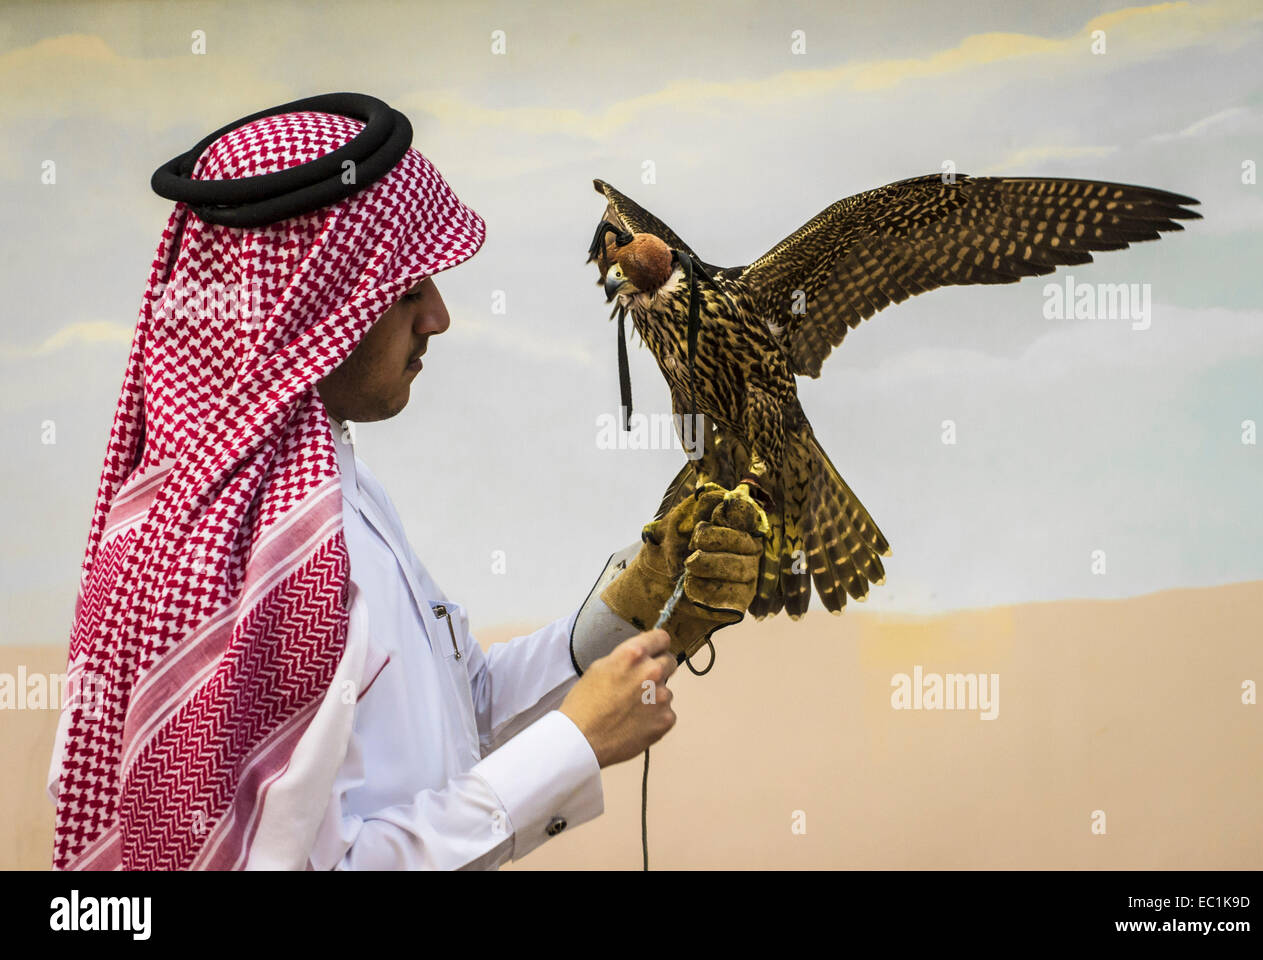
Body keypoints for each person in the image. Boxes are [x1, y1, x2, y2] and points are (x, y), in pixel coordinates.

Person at [47, 94, 765, 870]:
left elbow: (455, 719)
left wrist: (624, 617)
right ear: (305, 308)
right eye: (406, 290)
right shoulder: (238, 560)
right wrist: (572, 746)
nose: (440, 317)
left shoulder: (335, 492)